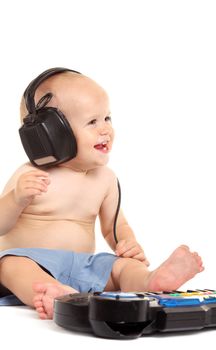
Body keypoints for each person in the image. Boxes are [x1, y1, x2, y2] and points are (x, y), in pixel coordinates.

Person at [0, 68, 204, 320]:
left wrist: (127, 244)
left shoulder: (105, 179)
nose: (105, 129)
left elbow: (114, 227)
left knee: (119, 267)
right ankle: (53, 294)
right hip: (31, 260)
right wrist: (16, 198)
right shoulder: (28, 176)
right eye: (92, 122)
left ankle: (150, 281)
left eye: (107, 118)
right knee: (9, 265)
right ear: (50, 133)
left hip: (83, 265)